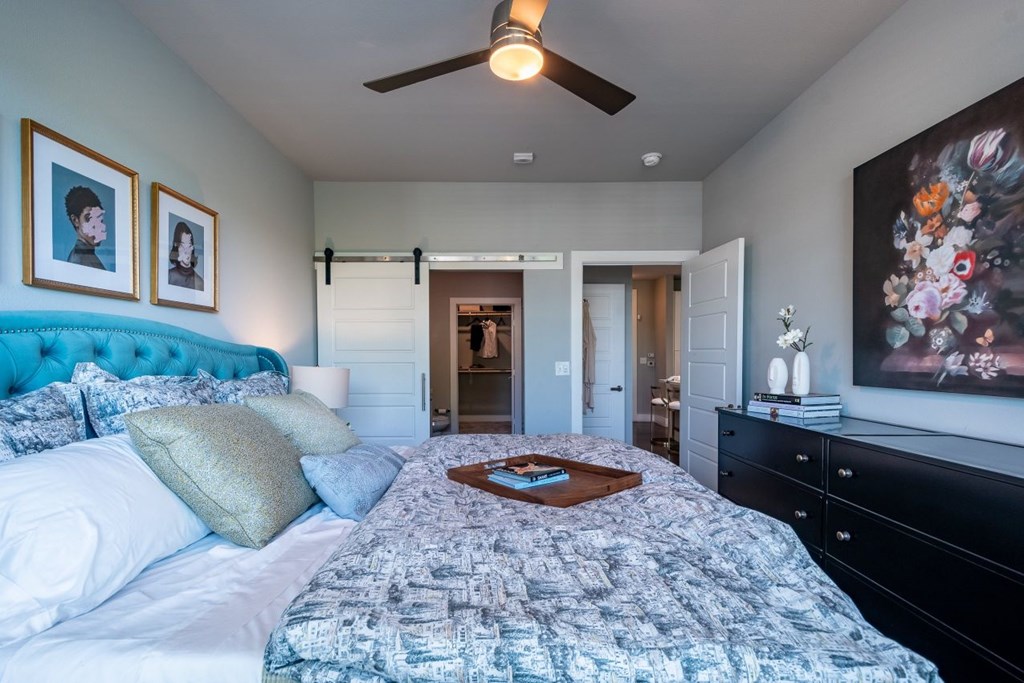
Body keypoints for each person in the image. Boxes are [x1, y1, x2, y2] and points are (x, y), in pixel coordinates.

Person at [64, 186, 107, 270]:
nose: (96, 226)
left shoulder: (88, 256)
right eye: (89, 218)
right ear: (75, 220)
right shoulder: (78, 260)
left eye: (99, 218)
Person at [168, 221, 204, 290]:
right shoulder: (169, 276)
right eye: (182, 246)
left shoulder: (200, 282)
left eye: (189, 245)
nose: (186, 251)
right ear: (177, 247)